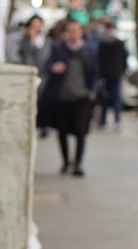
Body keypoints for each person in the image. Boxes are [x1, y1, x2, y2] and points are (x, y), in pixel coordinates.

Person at [38, 19, 98, 176]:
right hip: (62, 97)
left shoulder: (88, 50)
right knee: (62, 131)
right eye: (70, 30)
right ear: (66, 33)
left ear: (81, 32)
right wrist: (53, 67)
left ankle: (78, 164)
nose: (73, 34)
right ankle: (65, 162)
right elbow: (46, 66)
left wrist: (92, 90)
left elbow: (94, 72)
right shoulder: (59, 48)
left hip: (81, 97)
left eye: (76, 30)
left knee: (80, 131)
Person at [96, 20, 128, 128]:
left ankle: (117, 119)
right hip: (106, 76)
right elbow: (99, 60)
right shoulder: (103, 44)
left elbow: (124, 59)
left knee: (115, 98)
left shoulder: (118, 43)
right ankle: (104, 120)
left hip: (115, 75)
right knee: (105, 99)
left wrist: (122, 71)